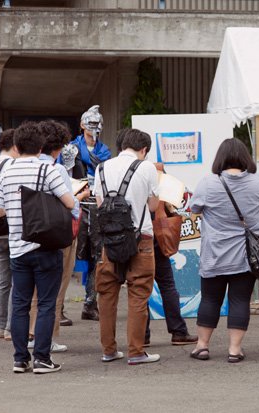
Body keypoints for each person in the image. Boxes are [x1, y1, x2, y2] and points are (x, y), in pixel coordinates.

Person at [0, 122, 75, 374]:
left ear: (16, 146)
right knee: (47, 304)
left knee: (20, 304)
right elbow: (69, 202)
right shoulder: (47, 170)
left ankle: (19, 359)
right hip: (45, 245)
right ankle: (41, 359)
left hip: (17, 249)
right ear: (40, 147)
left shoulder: (6, 172)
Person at [189, 138, 259, 363]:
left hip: (215, 254)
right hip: (247, 256)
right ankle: (234, 349)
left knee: (210, 300)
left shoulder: (208, 183)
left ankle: (202, 346)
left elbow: (194, 207)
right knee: (240, 300)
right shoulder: (257, 182)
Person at [114, 129, 198, 347]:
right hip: (154, 234)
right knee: (167, 284)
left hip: (127, 235)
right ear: (143, 150)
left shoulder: (112, 169)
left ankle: (144, 336)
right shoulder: (154, 170)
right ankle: (178, 331)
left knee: (138, 287)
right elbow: (170, 202)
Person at [94, 128, 160, 365]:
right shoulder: (147, 167)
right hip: (140, 238)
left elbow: (101, 205)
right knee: (139, 293)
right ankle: (136, 352)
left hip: (109, 240)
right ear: (143, 150)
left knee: (107, 294)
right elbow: (152, 206)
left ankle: (109, 350)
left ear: (122, 146)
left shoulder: (101, 167)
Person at [27, 120, 90, 353]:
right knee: (55, 288)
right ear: (59, 147)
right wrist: (81, 196)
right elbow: (71, 207)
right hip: (57, 236)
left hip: (30, 235)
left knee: (32, 289)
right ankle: (49, 337)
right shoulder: (58, 170)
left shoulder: (25, 166)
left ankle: (32, 333)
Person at [60, 105, 111, 321]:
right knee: (67, 257)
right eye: (90, 123)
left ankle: (90, 304)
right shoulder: (70, 149)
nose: (95, 127)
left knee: (97, 256)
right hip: (76, 205)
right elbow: (63, 176)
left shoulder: (105, 151)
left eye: (98, 122)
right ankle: (58, 307)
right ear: (81, 125)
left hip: (97, 206)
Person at [0, 128, 18, 341]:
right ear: (15, 146)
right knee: (18, 279)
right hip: (13, 227)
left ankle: (0, 326)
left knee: (2, 279)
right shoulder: (12, 166)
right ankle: (10, 327)